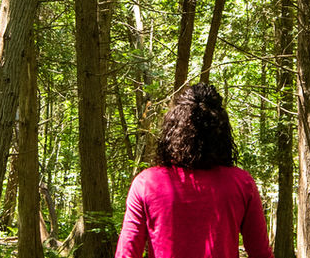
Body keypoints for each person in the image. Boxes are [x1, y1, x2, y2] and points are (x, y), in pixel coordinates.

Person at [114, 83, 274, 258]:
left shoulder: (147, 183)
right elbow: (261, 253)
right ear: (221, 132)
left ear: (174, 129)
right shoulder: (241, 183)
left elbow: (126, 253)